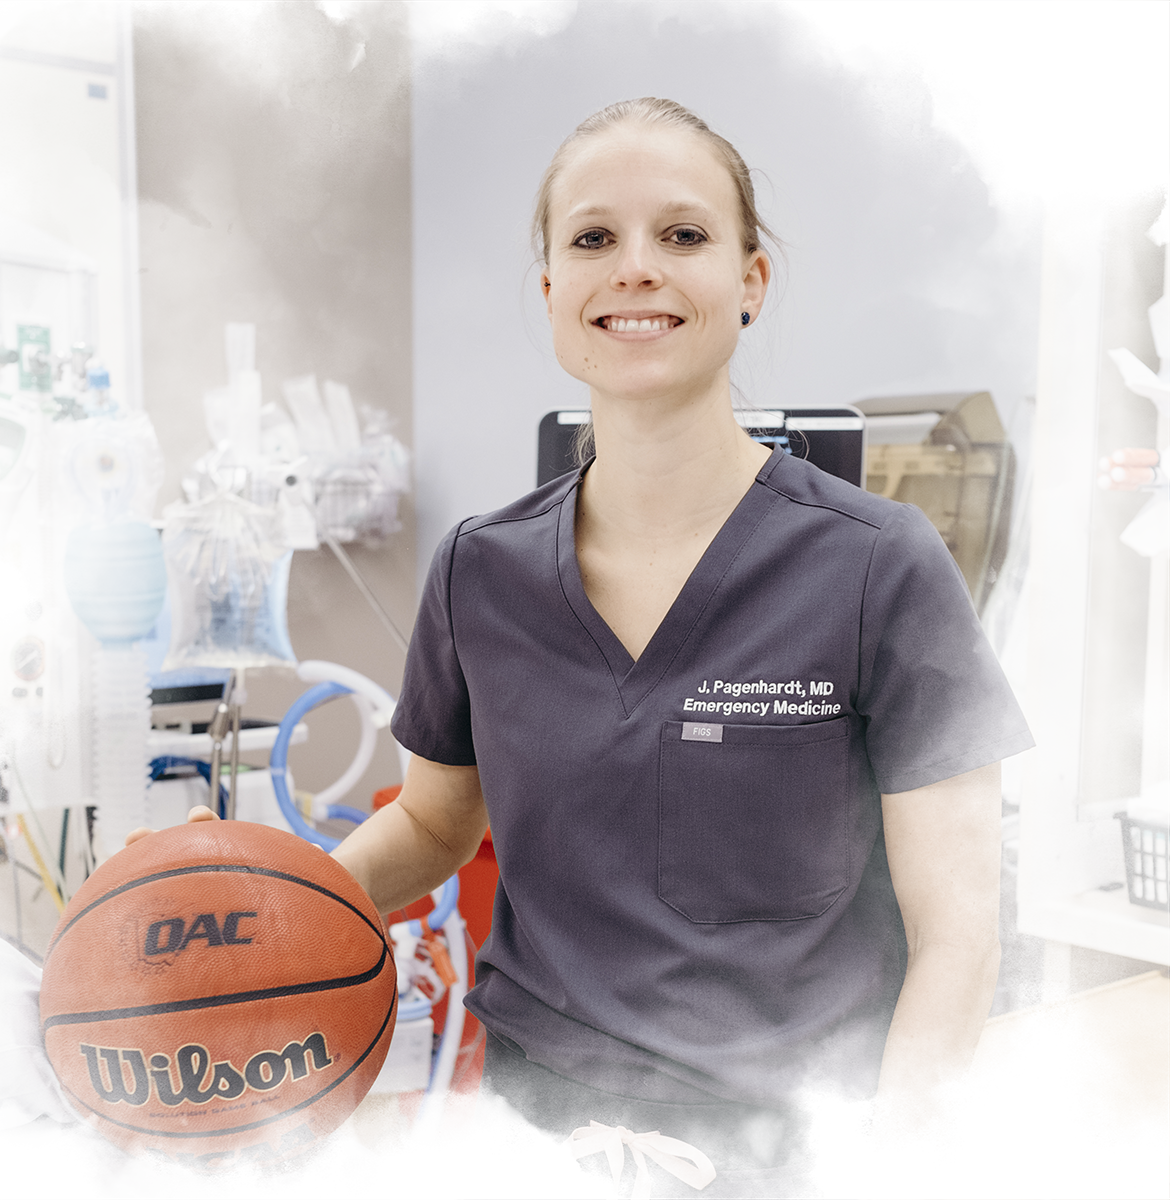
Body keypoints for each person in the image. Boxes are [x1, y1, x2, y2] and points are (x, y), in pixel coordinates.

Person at [141, 99, 1032, 1200]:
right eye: (595, 239)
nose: (637, 270)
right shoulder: (483, 568)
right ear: (553, 287)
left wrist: (886, 1192)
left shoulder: (878, 566)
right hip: (528, 1153)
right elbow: (430, 823)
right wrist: (262, 905)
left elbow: (958, 943)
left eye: (686, 236)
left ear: (752, 281)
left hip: (780, 1169)